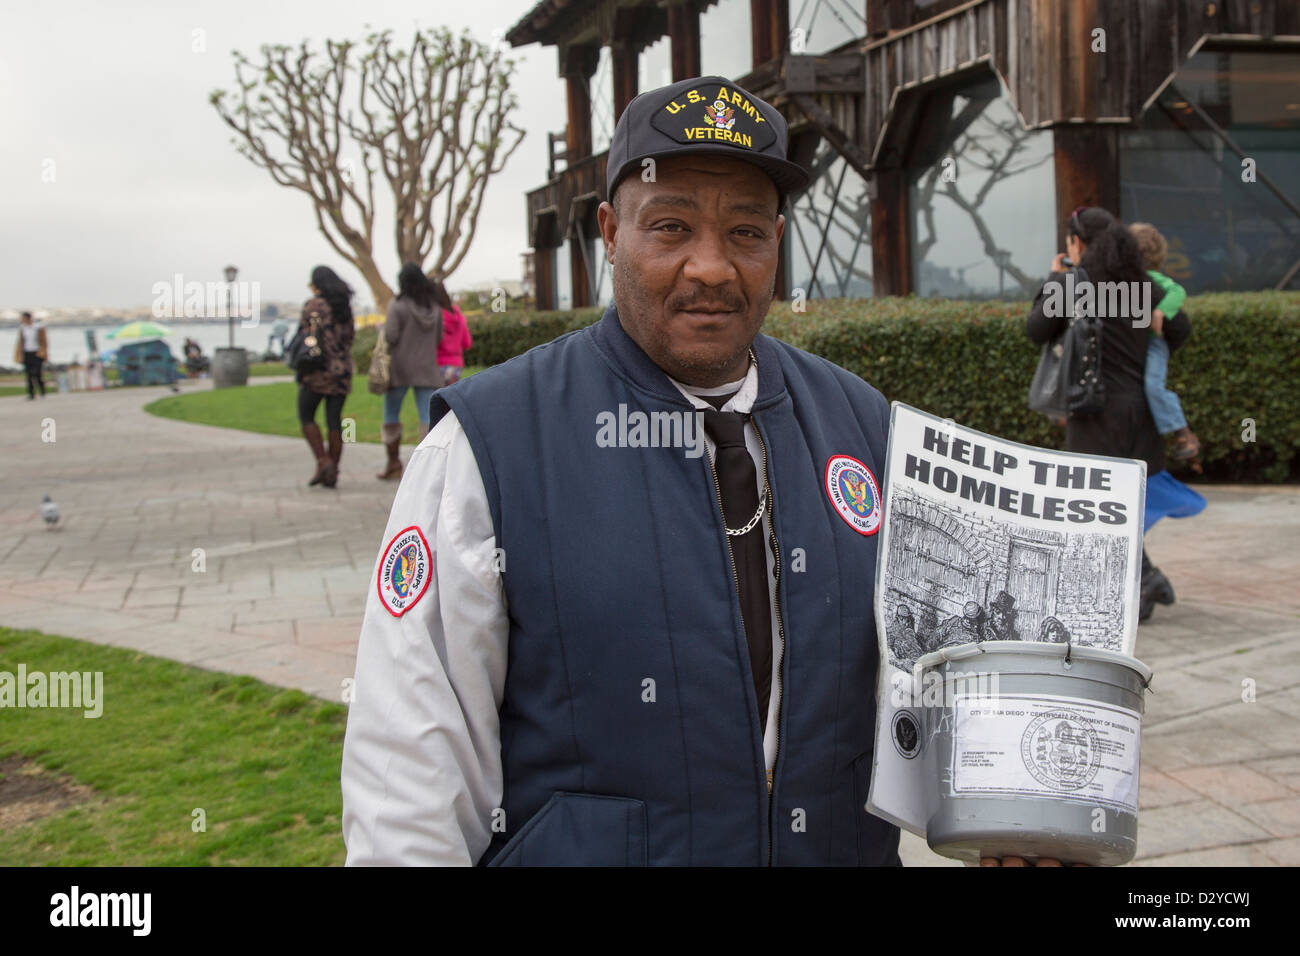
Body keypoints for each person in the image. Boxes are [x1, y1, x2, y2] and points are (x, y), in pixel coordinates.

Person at [1025, 206, 1193, 623]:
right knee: (1116, 506)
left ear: (1077, 244)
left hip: (1096, 414)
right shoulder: (1141, 287)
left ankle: (1141, 581)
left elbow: (1036, 330)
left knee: (1092, 507)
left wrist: (1055, 278)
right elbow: (1181, 330)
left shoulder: (1077, 286)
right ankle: (1139, 585)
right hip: (1139, 415)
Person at [1127, 222, 1200, 462]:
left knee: (1153, 386)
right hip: (1133, 345)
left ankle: (1183, 433)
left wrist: (1160, 312)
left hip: (1153, 344)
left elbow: (1178, 291)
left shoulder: (1153, 279)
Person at [376, 263, 444, 481]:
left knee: (391, 416)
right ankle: (428, 467)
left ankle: (393, 462)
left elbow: (391, 336)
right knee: (427, 417)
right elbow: (439, 338)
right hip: (427, 368)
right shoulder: (434, 307)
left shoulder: (397, 306)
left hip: (399, 369)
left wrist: (381, 329)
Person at [296, 266, 355, 489]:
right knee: (335, 420)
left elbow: (306, 336)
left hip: (317, 369)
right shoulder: (344, 307)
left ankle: (323, 461)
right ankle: (333, 470)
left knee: (306, 415)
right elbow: (350, 337)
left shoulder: (313, 306)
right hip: (342, 369)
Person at [434, 280, 472, 387]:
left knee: (435, 401)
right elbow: (467, 343)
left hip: (437, 364)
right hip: (455, 366)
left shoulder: (434, 316)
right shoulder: (458, 315)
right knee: (449, 400)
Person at [13, 312, 48, 400]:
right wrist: (19, 355)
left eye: (23, 318)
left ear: (28, 318)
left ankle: (42, 389)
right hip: (26, 353)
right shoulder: (22, 329)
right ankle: (31, 394)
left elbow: (44, 342)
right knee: (28, 375)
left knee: (37, 373)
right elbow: (20, 342)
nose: (22, 320)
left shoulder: (38, 328)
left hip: (37, 353)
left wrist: (44, 353)